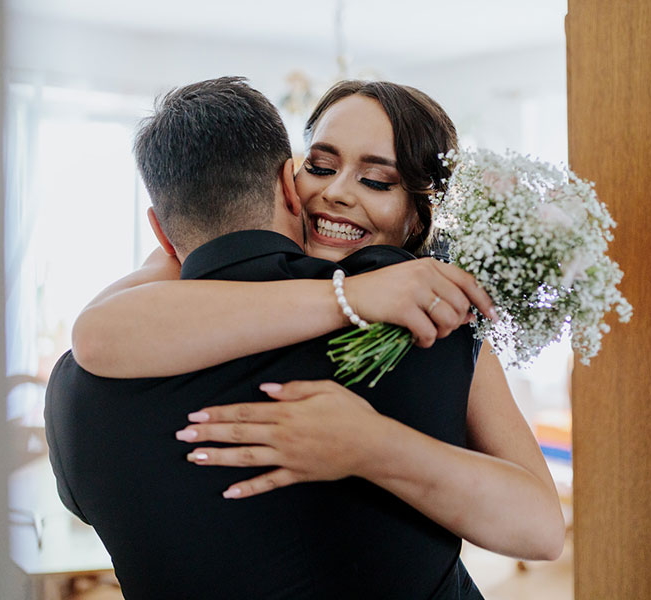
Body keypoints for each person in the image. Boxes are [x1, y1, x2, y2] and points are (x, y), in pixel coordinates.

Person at [47, 77, 563, 599]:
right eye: (320, 166)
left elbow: (541, 529)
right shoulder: (157, 316)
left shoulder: (434, 323)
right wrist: (351, 297)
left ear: (419, 215)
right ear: (289, 182)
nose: (336, 193)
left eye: (377, 181)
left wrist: (372, 444)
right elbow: (98, 328)